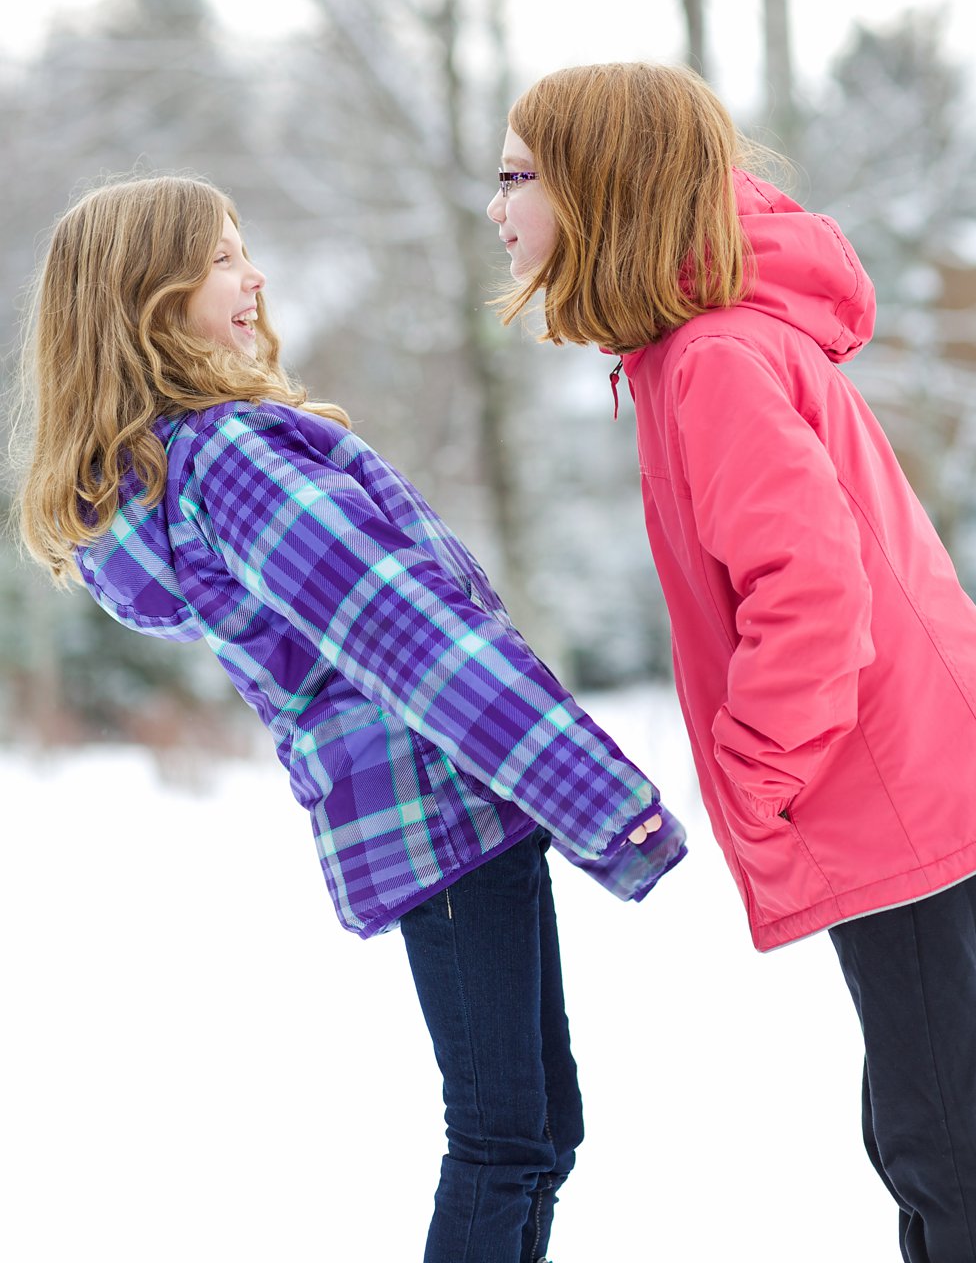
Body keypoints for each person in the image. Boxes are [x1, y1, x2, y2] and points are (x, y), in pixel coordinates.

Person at [14, 175, 685, 1263]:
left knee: (537, 1133)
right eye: (225, 256)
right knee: (505, 1143)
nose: (255, 276)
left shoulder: (199, 465)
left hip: (437, 814)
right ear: (151, 295)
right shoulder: (233, 461)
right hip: (446, 805)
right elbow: (415, 643)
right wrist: (601, 802)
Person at [488, 61, 976, 1263]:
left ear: (604, 193)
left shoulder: (714, 364)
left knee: (940, 1133)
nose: (497, 206)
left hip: (890, 779)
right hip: (908, 766)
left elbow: (811, 595)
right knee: (923, 1120)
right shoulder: (699, 354)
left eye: (521, 176)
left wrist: (759, 772)